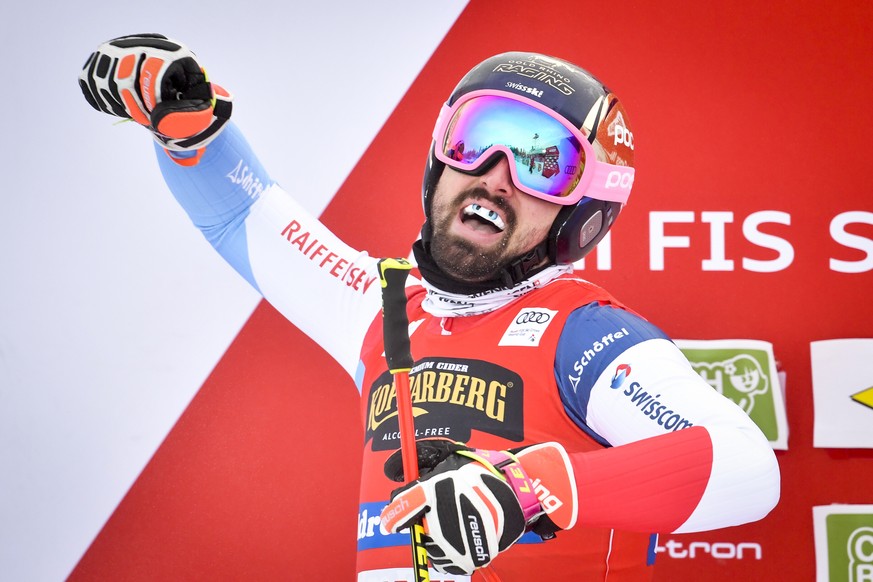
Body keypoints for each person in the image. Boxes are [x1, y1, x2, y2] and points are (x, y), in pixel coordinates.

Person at [79, 34, 780, 581]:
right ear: (439, 160)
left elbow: (747, 469)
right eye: (475, 139)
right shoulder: (379, 302)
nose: (495, 174)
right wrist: (189, 125)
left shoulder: (585, 332)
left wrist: (526, 491)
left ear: (583, 211)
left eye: (542, 164)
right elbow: (244, 216)